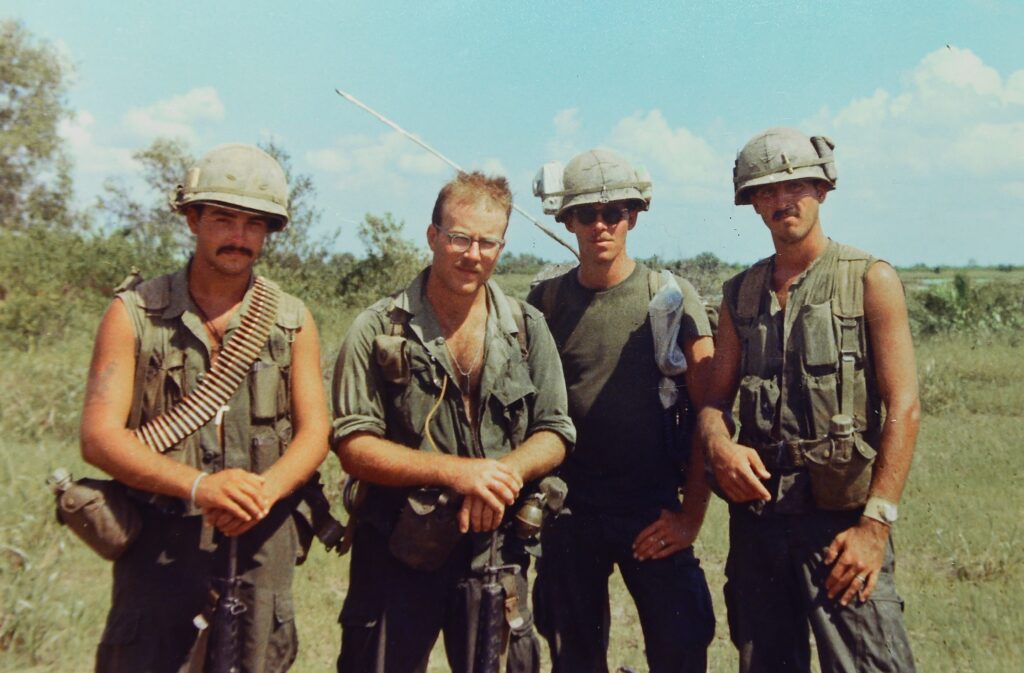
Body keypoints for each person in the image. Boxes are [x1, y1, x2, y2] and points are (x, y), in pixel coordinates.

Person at [79, 144, 330, 672]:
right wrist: (198, 486)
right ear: (192, 219)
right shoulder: (135, 315)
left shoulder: (291, 320)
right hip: (159, 545)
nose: (239, 237)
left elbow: (315, 435)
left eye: (254, 223)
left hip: (261, 538)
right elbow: (99, 439)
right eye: (223, 218)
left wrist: (266, 490)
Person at [331, 171, 575, 673]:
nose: (473, 254)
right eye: (460, 238)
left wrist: (499, 477)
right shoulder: (377, 329)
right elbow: (354, 443)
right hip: (398, 547)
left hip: (494, 549)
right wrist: (461, 474)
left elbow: (555, 430)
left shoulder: (527, 329)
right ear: (433, 237)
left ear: (502, 246)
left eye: (488, 242)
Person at [698, 127, 919, 672]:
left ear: (821, 190)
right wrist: (719, 447)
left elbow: (905, 406)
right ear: (751, 203)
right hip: (758, 519)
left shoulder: (869, 278)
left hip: (840, 523)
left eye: (794, 185)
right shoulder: (739, 294)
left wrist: (874, 527)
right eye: (766, 192)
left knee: (870, 663)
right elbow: (712, 403)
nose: (781, 201)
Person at [528, 149, 716, 673]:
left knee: (681, 644)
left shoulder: (671, 298)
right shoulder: (543, 303)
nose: (601, 225)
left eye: (614, 212)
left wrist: (690, 518)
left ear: (634, 215)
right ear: (567, 219)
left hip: (650, 508)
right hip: (571, 509)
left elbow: (709, 413)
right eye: (586, 214)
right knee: (572, 653)